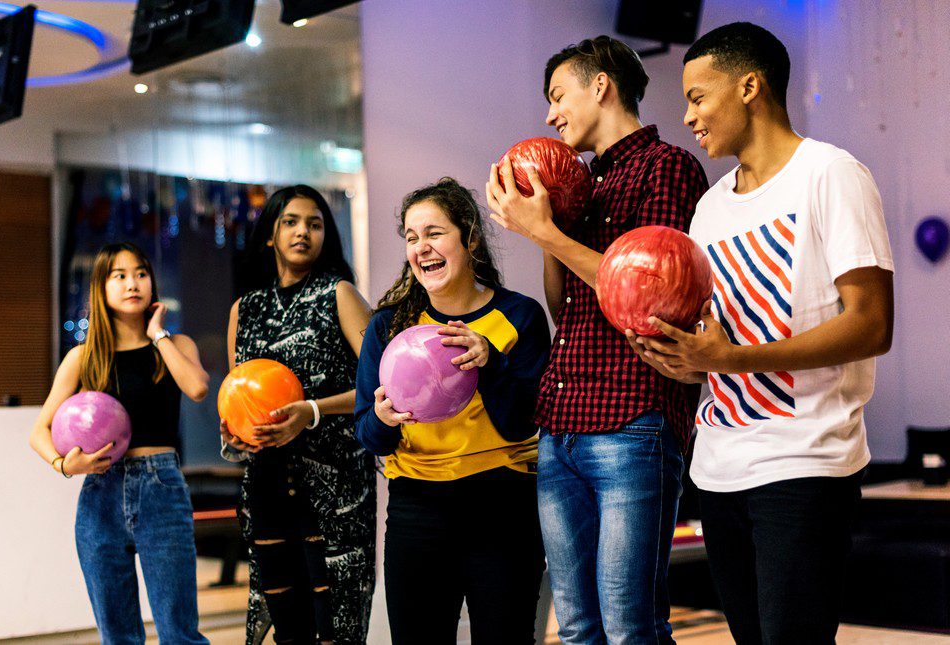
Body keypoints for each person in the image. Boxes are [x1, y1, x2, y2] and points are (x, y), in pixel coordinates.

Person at [626, 22, 896, 644]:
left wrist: (732, 357)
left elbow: (871, 323)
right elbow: (714, 347)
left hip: (806, 460)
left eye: (698, 96)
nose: (688, 116)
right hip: (719, 466)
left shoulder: (831, 173)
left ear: (750, 86)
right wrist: (684, 361)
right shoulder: (710, 206)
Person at [486, 36, 708, 643]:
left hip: (632, 420)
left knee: (630, 628)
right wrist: (547, 225)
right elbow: (565, 308)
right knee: (578, 628)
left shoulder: (668, 166)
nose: (551, 115)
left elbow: (646, 294)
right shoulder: (582, 182)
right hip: (561, 424)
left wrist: (548, 235)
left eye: (558, 96)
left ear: (601, 86)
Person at [354, 178, 549, 644]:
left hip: (503, 508)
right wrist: (381, 420)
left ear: (471, 237)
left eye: (434, 232)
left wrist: (491, 363)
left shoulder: (519, 316)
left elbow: (527, 419)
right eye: (411, 237)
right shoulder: (388, 327)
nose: (422, 247)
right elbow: (366, 431)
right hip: (417, 511)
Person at [30, 242, 210, 644]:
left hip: (162, 490)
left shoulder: (175, 346)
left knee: (179, 633)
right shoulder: (83, 357)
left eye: (141, 273)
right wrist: (65, 465)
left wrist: (157, 333)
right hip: (100, 495)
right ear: (102, 287)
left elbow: (198, 388)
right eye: (120, 275)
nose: (133, 283)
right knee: (118, 636)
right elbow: (38, 431)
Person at [220, 185, 376, 645]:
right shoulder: (245, 310)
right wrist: (236, 437)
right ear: (270, 233)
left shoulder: (339, 294)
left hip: (335, 492)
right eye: (290, 221)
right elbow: (238, 400)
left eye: (315, 223)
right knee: (288, 629)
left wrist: (310, 412)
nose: (302, 231)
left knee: (336, 630)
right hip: (267, 489)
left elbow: (382, 385)